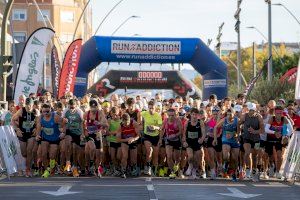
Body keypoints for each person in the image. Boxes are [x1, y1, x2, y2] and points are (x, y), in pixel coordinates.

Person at [35, 104, 65, 177]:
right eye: (44, 111)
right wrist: (37, 135)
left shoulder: (55, 117)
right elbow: (38, 127)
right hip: (45, 138)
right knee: (44, 154)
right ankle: (46, 170)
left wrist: (63, 133)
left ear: (50, 110)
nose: (45, 113)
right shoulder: (40, 117)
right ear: (42, 111)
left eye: (47, 111)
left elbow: (64, 124)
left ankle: (52, 166)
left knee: (52, 155)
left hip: (55, 138)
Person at [12, 98, 38, 177]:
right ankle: (28, 163)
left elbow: (39, 122)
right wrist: (17, 129)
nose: (28, 107)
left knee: (29, 151)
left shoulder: (36, 111)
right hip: (22, 134)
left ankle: (28, 169)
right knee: (24, 153)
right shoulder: (21, 111)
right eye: (27, 106)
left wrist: (36, 128)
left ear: (33, 105)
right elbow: (13, 120)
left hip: (31, 134)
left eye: (30, 106)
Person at [213, 108, 240, 181]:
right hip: (225, 140)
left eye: (230, 114)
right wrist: (215, 139)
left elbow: (238, 131)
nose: (229, 116)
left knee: (235, 159)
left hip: (234, 140)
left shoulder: (237, 120)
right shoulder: (224, 120)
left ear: (234, 114)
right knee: (226, 155)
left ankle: (234, 173)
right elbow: (215, 127)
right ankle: (226, 163)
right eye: (227, 114)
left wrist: (237, 135)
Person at [239, 103, 264, 182]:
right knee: (247, 152)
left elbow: (262, 130)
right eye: (250, 110)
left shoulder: (259, 117)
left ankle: (254, 171)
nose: (251, 112)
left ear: (255, 110)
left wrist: (254, 131)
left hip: (256, 139)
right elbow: (238, 124)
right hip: (246, 138)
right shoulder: (244, 116)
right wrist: (238, 133)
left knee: (255, 156)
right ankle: (247, 169)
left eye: (252, 110)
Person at [83, 99, 108, 177]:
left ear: (97, 106)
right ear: (90, 107)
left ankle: (96, 169)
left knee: (99, 153)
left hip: (97, 134)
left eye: (95, 107)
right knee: (92, 148)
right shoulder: (86, 114)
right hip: (89, 134)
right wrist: (83, 133)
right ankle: (90, 164)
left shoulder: (100, 113)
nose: (94, 109)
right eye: (92, 107)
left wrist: (100, 123)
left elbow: (106, 124)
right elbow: (83, 123)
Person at [265, 106, 290, 179]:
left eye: (280, 113)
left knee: (280, 156)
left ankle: (278, 172)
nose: (278, 114)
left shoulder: (284, 119)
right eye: (277, 113)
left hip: (279, 138)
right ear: (274, 113)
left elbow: (290, 129)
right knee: (270, 155)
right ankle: (271, 166)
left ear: (282, 113)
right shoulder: (271, 118)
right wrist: (274, 132)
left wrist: (285, 136)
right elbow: (266, 129)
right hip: (270, 137)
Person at [182, 108, 206, 179]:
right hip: (189, 141)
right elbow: (184, 133)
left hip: (197, 142)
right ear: (190, 115)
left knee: (197, 159)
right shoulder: (187, 122)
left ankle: (194, 171)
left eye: (195, 114)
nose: (194, 116)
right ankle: (190, 167)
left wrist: (202, 139)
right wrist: (184, 141)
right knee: (190, 156)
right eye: (193, 114)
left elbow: (204, 132)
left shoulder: (200, 122)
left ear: (198, 115)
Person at [140, 101, 162, 176]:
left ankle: (154, 170)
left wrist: (155, 127)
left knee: (155, 154)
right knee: (149, 150)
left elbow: (161, 127)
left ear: (155, 108)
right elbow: (139, 114)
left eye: (152, 108)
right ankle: (148, 167)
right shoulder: (144, 113)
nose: (150, 110)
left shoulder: (158, 115)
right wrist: (141, 123)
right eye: (149, 108)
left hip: (155, 136)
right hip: (147, 135)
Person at [63, 99, 84, 176]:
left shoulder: (79, 112)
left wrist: (82, 133)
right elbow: (63, 122)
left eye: (73, 107)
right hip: (69, 131)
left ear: (76, 105)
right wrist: (63, 131)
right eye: (70, 107)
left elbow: (83, 122)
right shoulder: (65, 111)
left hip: (77, 132)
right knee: (67, 144)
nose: (71, 108)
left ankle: (75, 167)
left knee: (75, 149)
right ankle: (68, 163)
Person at [160, 108, 183, 179]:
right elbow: (162, 129)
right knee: (169, 157)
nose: (171, 117)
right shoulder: (165, 120)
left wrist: (175, 135)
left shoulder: (178, 121)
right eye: (169, 115)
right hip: (168, 140)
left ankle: (178, 170)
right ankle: (173, 172)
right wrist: (160, 139)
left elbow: (181, 131)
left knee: (177, 158)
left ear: (175, 115)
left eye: (172, 115)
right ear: (167, 115)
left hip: (176, 140)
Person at [117, 113, 140, 178]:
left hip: (133, 140)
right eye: (125, 123)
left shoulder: (134, 123)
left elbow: (138, 135)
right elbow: (118, 140)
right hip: (125, 141)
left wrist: (133, 139)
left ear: (130, 120)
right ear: (122, 121)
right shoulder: (120, 126)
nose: (126, 125)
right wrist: (127, 140)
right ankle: (123, 170)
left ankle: (133, 168)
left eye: (128, 123)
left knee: (134, 159)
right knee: (125, 156)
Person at [107, 106, 122, 176]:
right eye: (113, 115)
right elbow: (107, 132)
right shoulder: (109, 120)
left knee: (118, 156)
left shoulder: (121, 121)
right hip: (112, 141)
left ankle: (119, 167)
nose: (114, 116)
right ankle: (116, 169)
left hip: (119, 141)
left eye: (116, 114)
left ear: (118, 113)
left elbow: (121, 131)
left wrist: (114, 132)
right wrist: (114, 132)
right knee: (112, 156)